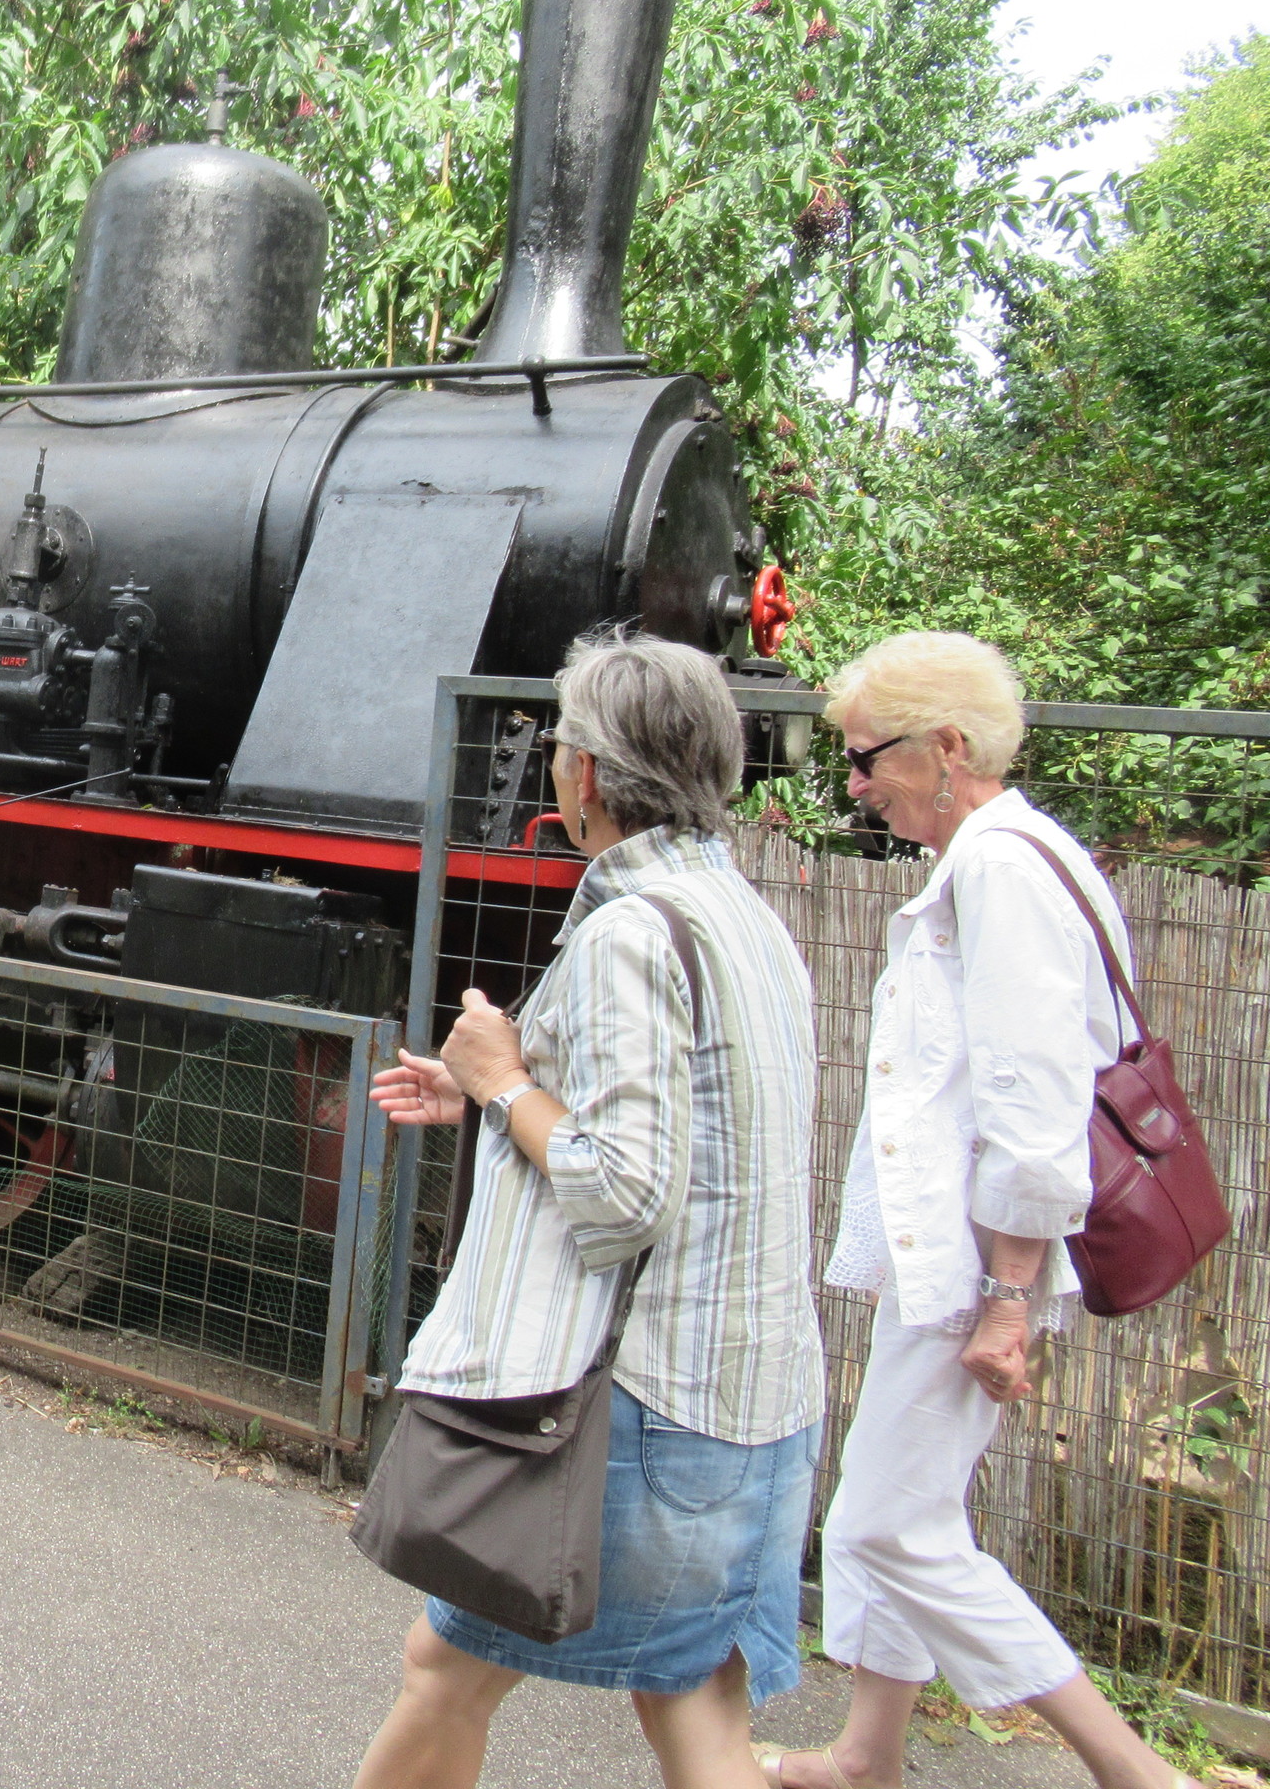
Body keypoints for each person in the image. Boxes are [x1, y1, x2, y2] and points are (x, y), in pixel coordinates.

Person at [354, 630, 823, 1789]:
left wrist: (505, 1079)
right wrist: (483, 1093)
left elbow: (623, 1191)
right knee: (696, 1700)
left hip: (648, 1403)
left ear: (592, 775)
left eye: (562, 745)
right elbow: (690, 1128)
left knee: (444, 1670)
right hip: (758, 1398)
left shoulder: (628, 933)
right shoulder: (739, 916)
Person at [760, 632, 1199, 1789]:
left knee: (887, 1524)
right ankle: (868, 1754)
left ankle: (1134, 1770)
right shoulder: (1002, 858)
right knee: (904, 1501)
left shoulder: (1002, 869)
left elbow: (1031, 1094)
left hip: (983, 1261)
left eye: (869, 758)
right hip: (965, 1256)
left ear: (947, 746)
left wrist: (1007, 1297)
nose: (857, 784)